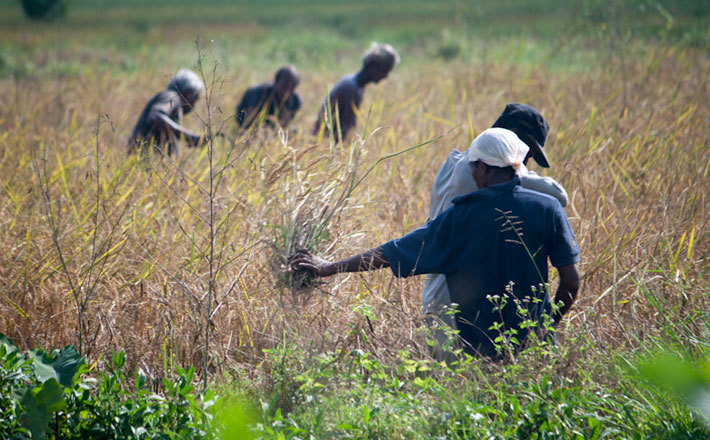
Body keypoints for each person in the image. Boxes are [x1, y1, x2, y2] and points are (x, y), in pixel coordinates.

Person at [289, 128, 580, 359]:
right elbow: (570, 283)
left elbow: (392, 253)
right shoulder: (547, 208)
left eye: (473, 168)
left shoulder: (460, 217)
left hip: (480, 359)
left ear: (483, 167)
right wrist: (545, 325)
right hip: (536, 354)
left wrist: (329, 267)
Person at [423, 103, 568, 333]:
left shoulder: (455, 163)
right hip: (457, 307)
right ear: (515, 139)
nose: (526, 160)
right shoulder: (480, 172)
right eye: (526, 152)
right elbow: (559, 196)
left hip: (439, 297)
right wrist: (517, 168)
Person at [313, 42, 399, 142]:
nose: (386, 76)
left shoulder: (356, 85)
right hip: (324, 141)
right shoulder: (350, 87)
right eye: (385, 70)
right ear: (373, 65)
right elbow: (344, 127)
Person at [129, 69, 206, 158]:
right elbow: (155, 116)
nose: (194, 104)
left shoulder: (174, 101)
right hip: (144, 163)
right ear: (187, 92)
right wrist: (187, 136)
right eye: (195, 97)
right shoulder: (173, 97)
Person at [236, 65, 301, 130]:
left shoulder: (295, 101)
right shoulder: (261, 93)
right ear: (276, 82)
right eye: (284, 87)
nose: (287, 92)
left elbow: (284, 124)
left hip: (270, 128)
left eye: (291, 88)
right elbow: (248, 121)